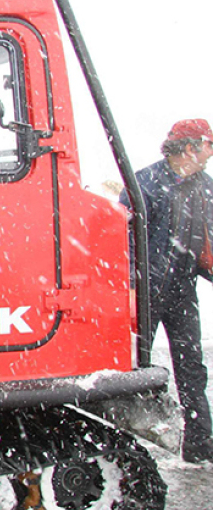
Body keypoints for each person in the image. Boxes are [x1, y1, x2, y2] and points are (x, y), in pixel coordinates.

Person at [124, 118, 213, 463]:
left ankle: (199, 448)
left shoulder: (205, 187)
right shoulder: (143, 183)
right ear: (190, 147)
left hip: (183, 293)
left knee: (192, 369)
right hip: (144, 295)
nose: (210, 153)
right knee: (134, 370)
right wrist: (131, 287)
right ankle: (132, 449)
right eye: (209, 145)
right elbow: (122, 240)